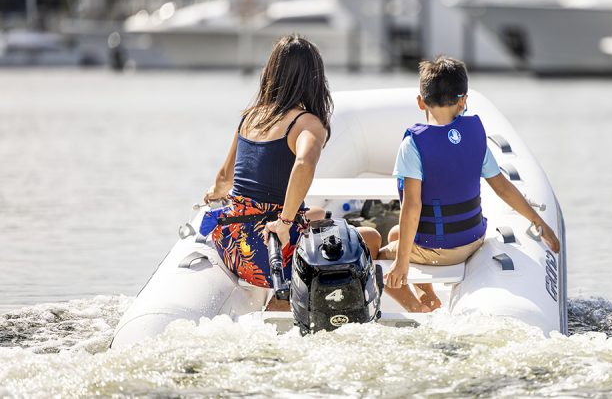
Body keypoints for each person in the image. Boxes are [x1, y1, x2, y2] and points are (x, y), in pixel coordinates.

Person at [203, 35, 381, 307]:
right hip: (270, 249)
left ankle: (282, 300)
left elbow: (224, 180)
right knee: (370, 237)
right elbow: (304, 163)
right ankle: (285, 304)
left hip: (233, 245)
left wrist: (213, 194)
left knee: (317, 213)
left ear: (271, 73)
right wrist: (285, 223)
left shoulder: (251, 117)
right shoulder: (307, 123)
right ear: (315, 78)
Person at [379, 56, 560, 312]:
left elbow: (412, 207)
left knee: (374, 254)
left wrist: (400, 264)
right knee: (396, 234)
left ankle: (415, 307)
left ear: (420, 102)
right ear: (463, 100)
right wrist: (538, 222)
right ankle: (427, 293)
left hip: (438, 249)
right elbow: (503, 187)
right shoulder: (474, 135)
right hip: (473, 240)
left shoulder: (413, 144)